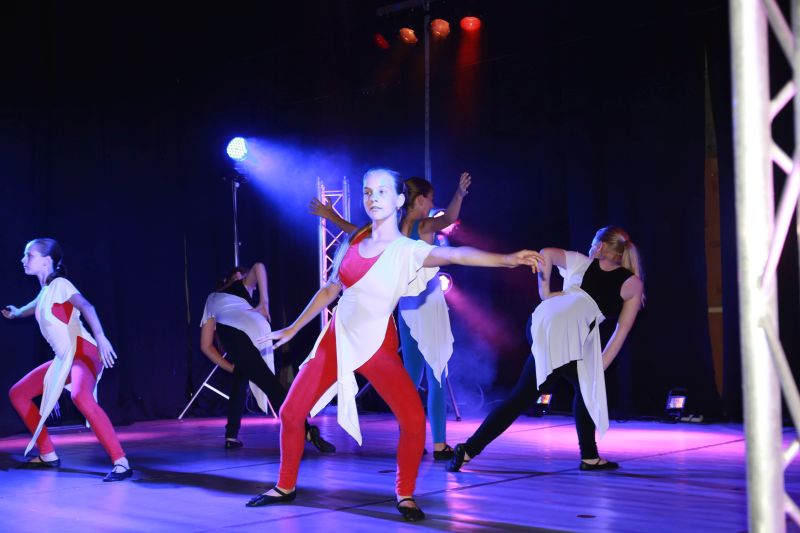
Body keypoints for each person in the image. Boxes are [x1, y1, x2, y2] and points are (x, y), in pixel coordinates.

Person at [247, 167, 542, 522]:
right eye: (367, 192)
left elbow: (457, 256)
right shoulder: (356, 239)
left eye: (382, 192)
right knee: (290, 413)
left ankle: (405, 494)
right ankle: (285, 486)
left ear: (400, 199)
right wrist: (294, 328)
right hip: (337, 339)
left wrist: (507, 259)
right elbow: (330, 289)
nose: (373, 198)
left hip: (377, 344)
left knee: (413, 419)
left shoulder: (407, 250)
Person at [446, 226, 644, 473]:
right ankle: (469, 449)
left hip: (543, 321)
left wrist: (545, 293)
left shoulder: (581, 262)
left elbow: (546, 253)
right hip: (564, 332)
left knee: (571, 388)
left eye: (593, 243)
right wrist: (601, 365)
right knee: (537, 394)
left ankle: (590, 457)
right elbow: (621, 330)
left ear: (600, 246)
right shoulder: (632, 283)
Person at [310, 172, 472, 461]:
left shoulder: (392, 229)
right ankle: (439, 444)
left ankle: (410, 440)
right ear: (420, 200)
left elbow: (355, 231)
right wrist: (459, 194)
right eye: (430, 200)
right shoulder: (423, 225)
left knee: (409, 381)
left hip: (407, 309)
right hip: (428, 306)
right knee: (436, 375)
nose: (432, 205)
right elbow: (448, 219)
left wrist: (330, 215)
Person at [3, 238, 132, 482]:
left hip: (84, 353)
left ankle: (121, 462)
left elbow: (86, 306)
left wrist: (101, 337)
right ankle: (47, 454)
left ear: (46, 261)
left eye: (29, 255)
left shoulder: (61, 284)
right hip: (65, 359)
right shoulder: (46, 291)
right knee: (18, 394)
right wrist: (17, 313)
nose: (23, 260)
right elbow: (34, 306)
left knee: (80, 396)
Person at [200, 263, 335, 453]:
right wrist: (264, 302)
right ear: (237, 279)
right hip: (249, 331)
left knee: (252, 380)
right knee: (268, 384)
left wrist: (232, 368)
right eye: (253, 287)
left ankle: (232, 434)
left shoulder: (213, 299)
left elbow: (206, 346)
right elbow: (259, 266)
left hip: (243, 334)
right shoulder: (241, 286)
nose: (253, 289)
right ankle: (305, 430)